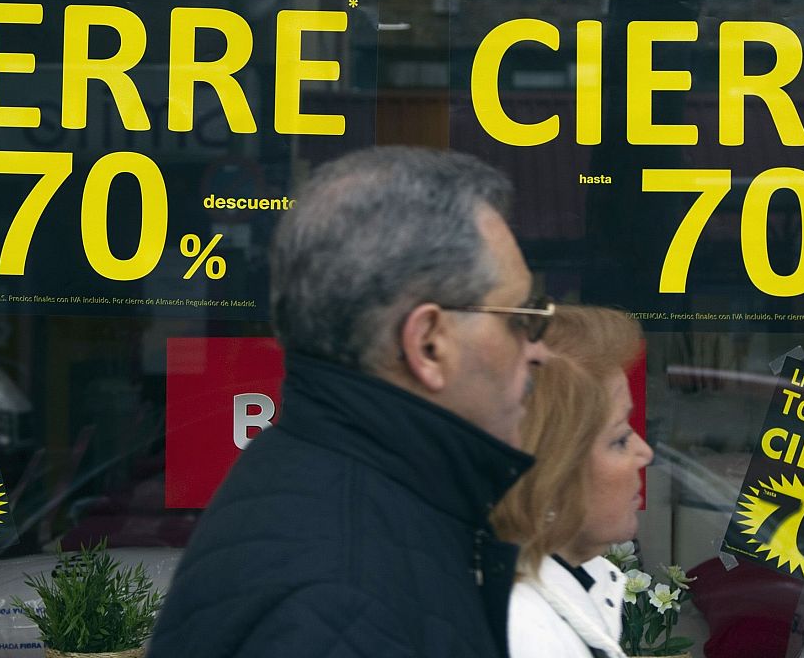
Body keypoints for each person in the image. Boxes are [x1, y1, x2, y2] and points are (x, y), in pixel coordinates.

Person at [147, 146, 553, 658]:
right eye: (520, 318)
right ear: (429, 343)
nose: (539, 350)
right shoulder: (341, 596)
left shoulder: (331, 480)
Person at [491, 306, 654, 658]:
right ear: (551, 473)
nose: (645, 453)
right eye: (620, 439)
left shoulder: (566, 591)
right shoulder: (527, 634)